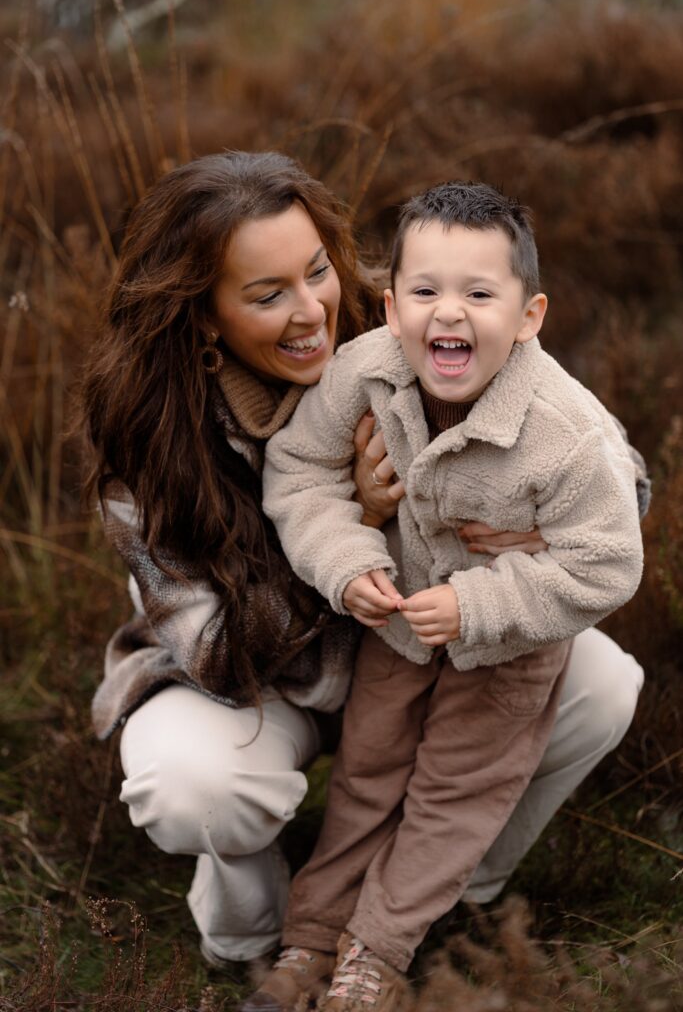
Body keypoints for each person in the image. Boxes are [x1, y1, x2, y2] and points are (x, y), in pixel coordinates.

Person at [79, 153, 646, 1012]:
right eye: (266, 295)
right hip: (270, 674)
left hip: (449, 634)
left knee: (597, 686)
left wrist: (523, 542)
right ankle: (263, 932)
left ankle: (422, 915)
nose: (311, 310)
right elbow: (226, 641)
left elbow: (601, 475)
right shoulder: (152, 445)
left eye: (316, 273)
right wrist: (362, 532)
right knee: (206, 786)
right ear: (203, 317)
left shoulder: (428, 304)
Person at [261, 181, 646, 1010]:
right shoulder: (365, 370)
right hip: (397, 634)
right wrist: (345, 558)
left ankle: (375, 954)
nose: (450, 314)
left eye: (479, 293)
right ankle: (310, 939)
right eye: (426, 291)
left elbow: (606, 562)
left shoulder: (561, 432)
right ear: (393, 305)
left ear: (529, 313)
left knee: (448, 800)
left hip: (507, 656)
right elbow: (299, 470)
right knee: (366, 779)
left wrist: (480, 604)